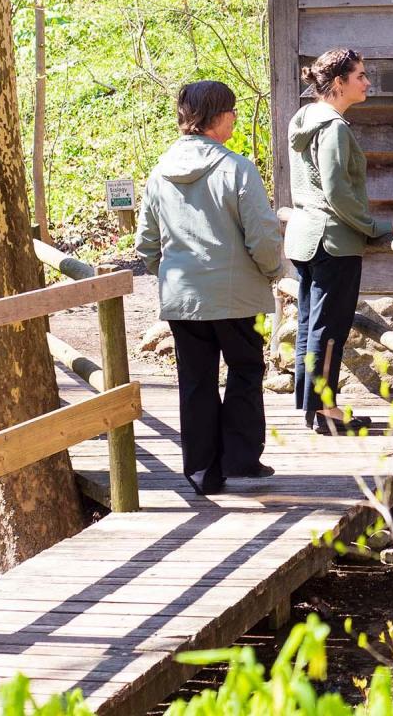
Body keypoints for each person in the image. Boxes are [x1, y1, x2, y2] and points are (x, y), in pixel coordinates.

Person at [137, 80, 283, 495]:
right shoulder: (236, 168)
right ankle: (240, 460)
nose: (235, 117)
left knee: (196, 381)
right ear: (217, 116)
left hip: (183, 297)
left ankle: (202, 472)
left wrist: (164, 271)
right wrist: (271, 271)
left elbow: (147, 242)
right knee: (245, 370)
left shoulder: (159, 171)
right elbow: (263, 235)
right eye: (232, 110)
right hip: (236, 296)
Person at [284, 48, 393, 434]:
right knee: (328, 330)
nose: (367, 82)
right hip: (333, 241)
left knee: (310, 325)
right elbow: (337, 192)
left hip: (304, 238)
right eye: (360, 76)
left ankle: (312, 407)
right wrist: (373, 226)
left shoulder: (303, 120)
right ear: (338, 83)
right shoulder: (332, 128)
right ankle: (326, 414)